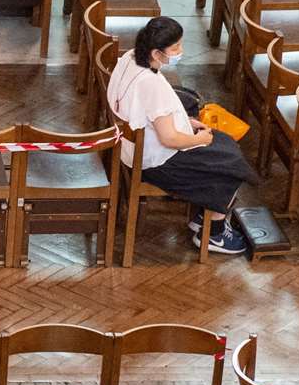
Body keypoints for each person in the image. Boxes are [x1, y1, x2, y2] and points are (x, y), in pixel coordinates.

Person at [106, 16, 259, 255]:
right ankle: (214, 233)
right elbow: (169, 139)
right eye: (175, 47)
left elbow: (146, 111)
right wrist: (200, 139)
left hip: (135, 146)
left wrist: (183, 120)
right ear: (157, 53)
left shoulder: (130, 58)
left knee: (224, 146)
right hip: (157, 161)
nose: (180, 51)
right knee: (232, 164)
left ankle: (203, 217)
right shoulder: (151, 84)